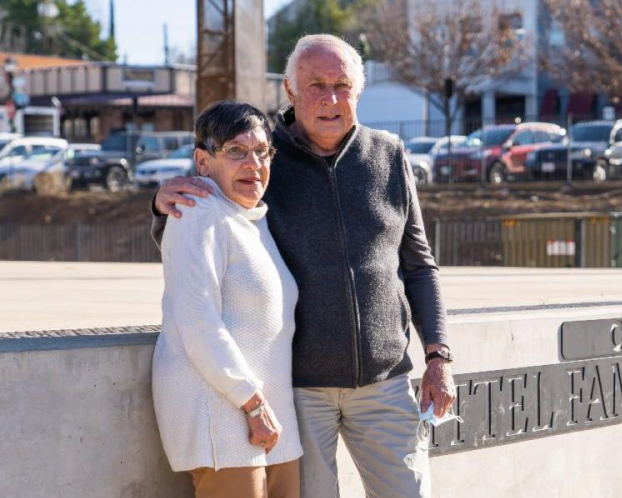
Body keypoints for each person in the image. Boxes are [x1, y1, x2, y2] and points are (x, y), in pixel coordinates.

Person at [151, 34, 456, 498]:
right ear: (291, 92)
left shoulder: (391, 158)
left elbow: (419, 267)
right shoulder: (260, 157)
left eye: (341, 84)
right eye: (315, 85)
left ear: (359, 91)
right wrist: (157, 203)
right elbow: (202, 216)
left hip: (385, 382)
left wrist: (439, 356)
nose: (330, 98)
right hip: (298, 390)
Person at [152, 100, 302, 498]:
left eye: (261, 151)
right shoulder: (197, 211)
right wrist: (251, 404)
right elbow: (198, 321)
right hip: (223, 418)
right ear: (202, 162)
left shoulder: (253, 218)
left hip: (268, 420)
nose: (253, 163)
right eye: (236, 150)